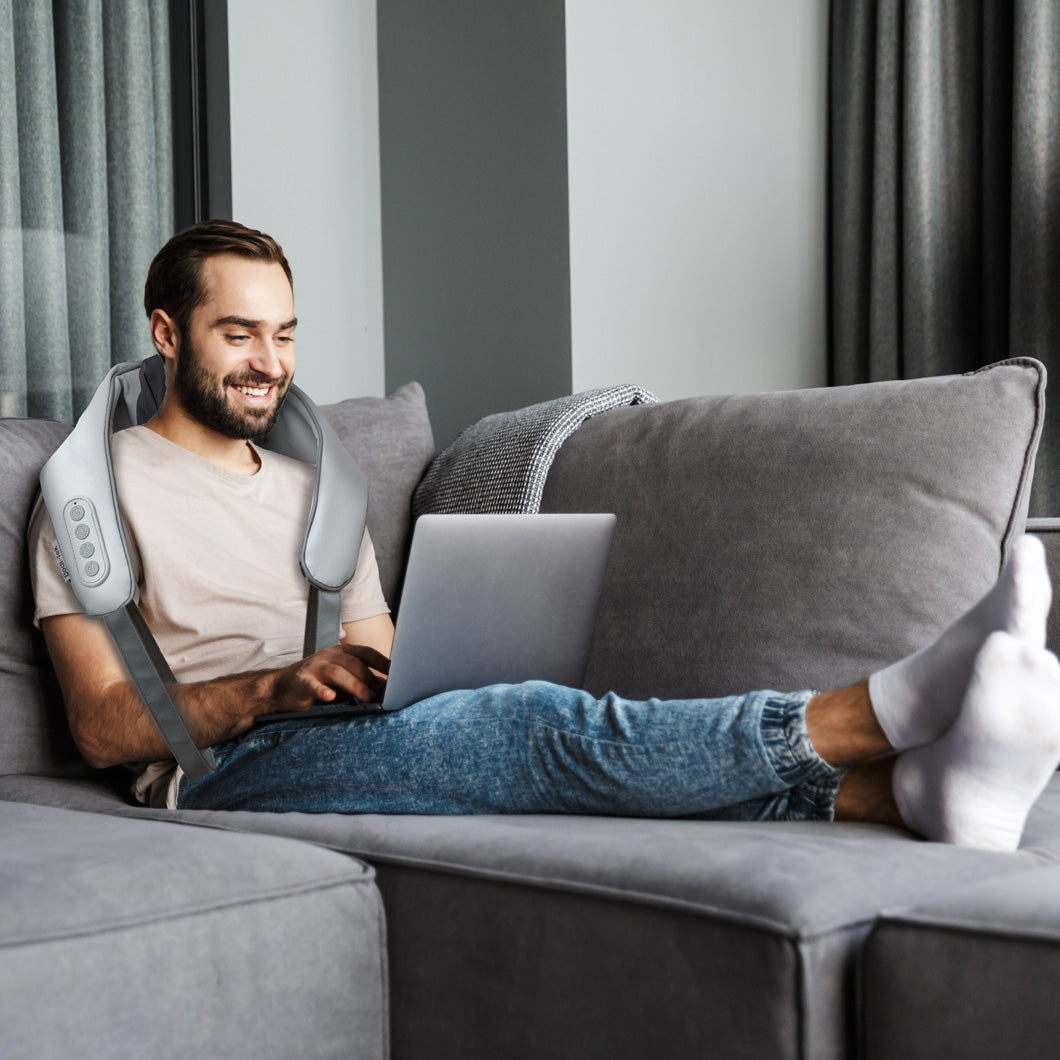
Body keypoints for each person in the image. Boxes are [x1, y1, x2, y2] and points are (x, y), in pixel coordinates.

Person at [27, 221, 1060, 851]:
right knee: (528, 725)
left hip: (344, 735)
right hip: (222, 768)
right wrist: (275, 688)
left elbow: (378, 639)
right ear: (167, 334)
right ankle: (884, 706)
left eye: (285, 333)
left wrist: (397, 668)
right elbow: (107, 726)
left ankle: (910, 793)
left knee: (550, 749)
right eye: (237, 333)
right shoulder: (91, 491)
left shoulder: (319, 488)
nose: (269, 362)